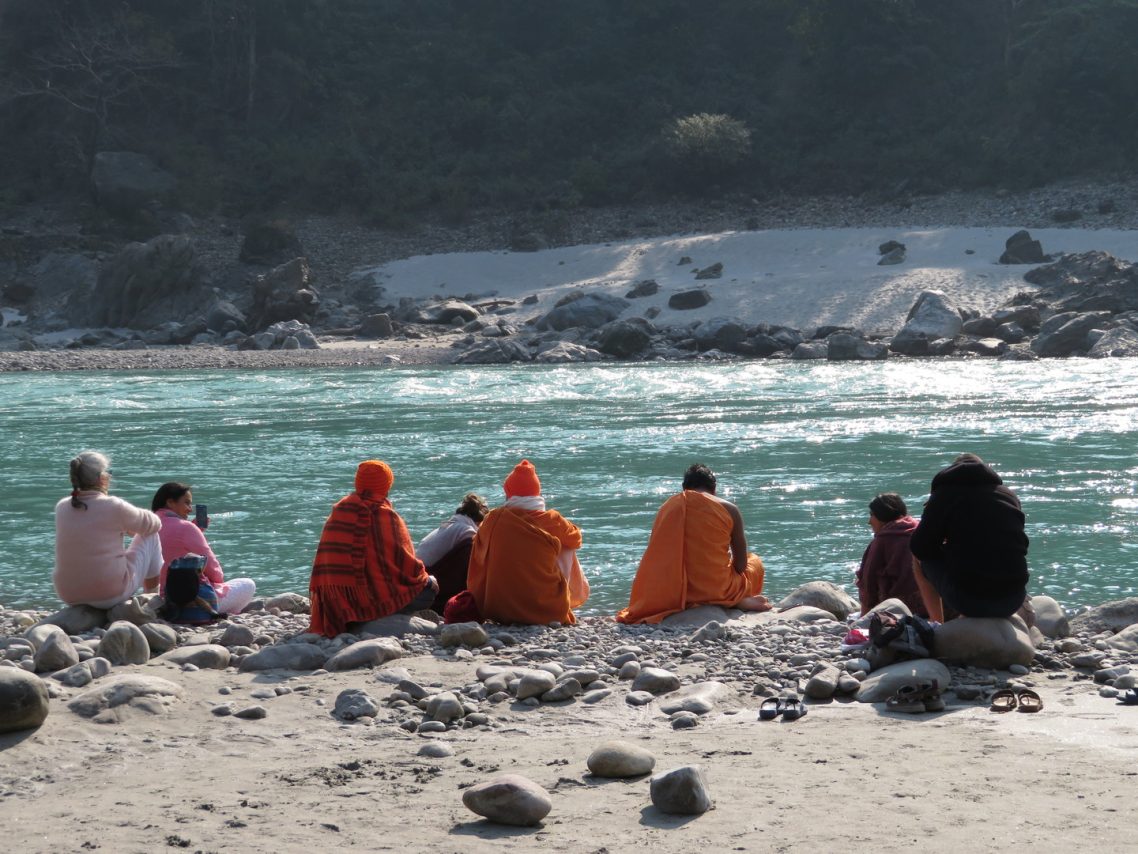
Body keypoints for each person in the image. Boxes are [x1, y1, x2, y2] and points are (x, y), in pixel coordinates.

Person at [616, 463, 770, 624]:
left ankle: (709, 601)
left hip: (672, 592)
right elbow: (741, 565)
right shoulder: (729, 509)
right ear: (714, 489)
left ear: (684, 488)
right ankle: (733, 600)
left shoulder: (668, 507)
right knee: (754, 561)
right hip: (717, 589)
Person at [308, 460, 437, 637]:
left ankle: (355, 615)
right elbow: (408, 568)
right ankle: (377, 614)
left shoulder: (338, 512)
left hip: (337, 606)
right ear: (385, 486)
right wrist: (427, 579)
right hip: (374, 599)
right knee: (429, 590)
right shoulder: (387, 516)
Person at [909, 453, 1030, 623]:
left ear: (952, 471)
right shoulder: (1009, 495)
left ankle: (937, 623)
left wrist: (946, 545)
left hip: (969, 602)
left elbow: (919, 547)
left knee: (918, 559)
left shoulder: (945, 493)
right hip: (1013, 600)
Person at [465, 460, 589, 625]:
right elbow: (577, 539)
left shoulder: (493, 519)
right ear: (537, 493)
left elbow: (477, 548)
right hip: (547, 610)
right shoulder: (552, 520)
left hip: (497, 609)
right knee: (567, 545)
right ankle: (567, 600)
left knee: (490, 543)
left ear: (509, 494)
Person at [54, 450, 164, 609]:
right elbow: (155, 524)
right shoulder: (114, 506)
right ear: (102, 478)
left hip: (69, 595)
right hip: (108, 594)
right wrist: (129, 526)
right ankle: (153, 599)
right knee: (151, 535)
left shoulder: (62, 507)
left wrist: (123, 525)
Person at [150, 482, 256, 616]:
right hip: (189, 603)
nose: (190, 509)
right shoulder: (186, 528)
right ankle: (221, 613)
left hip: (156, 602)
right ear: (170, 502)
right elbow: (217, 575)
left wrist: (196, 531)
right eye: (187, 503)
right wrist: (194, 531)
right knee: (248, 584)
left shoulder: (147, 526)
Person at [416, 492, 489, 613]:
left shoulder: (451, 526)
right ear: (479, 521)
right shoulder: (467, 531)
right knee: (472, 548)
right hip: (429, 586)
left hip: (419, 579)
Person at [855, 493, 924, 617]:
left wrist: (863, 619)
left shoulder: (882, 540)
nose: (869, 522)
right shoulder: (921, 530)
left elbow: (868, 583)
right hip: (939, 607)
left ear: (882, 515)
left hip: (901, 611)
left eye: (872, 515)